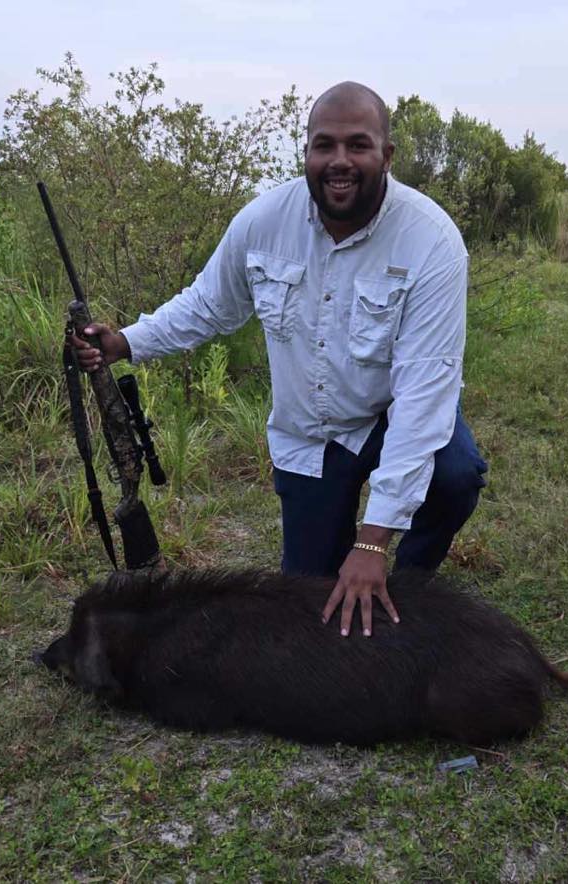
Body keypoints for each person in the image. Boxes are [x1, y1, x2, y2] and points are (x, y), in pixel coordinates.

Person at [70, 81, 487, 639]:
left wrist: (372, 544)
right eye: (324, 145)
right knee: (311, 614)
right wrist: (125, 342)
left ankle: (407, 587)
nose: (340, 162)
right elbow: (208, 305)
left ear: (386, 156)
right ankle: (351, 570)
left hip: (392, 412)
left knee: (456, 475)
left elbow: (422, 400)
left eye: (358, 145)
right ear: (306, 152)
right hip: (311, 434)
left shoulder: (431, 240)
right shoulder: (263, 221)